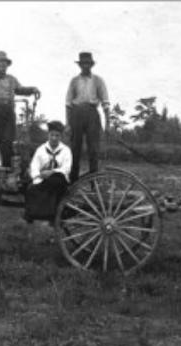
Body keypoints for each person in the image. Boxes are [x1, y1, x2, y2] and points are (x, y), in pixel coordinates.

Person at [65, 51, 110, 183]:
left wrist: (108, 124)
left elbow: (106, 103)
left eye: (87, 63)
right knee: (74, 150)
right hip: (76, 114)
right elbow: (68, 104)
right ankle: (72, 183)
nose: (85, 66)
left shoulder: (98, 80)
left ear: (91, 65)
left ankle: (94, 185)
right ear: (80, 65)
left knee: (93, 150)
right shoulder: (74, 81)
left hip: (92, 114)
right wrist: (67, 124)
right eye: (83, 63)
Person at [24, 121, 72, 222]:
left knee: (56, 181)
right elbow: (34, 165)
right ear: (48, 135)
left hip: (59, 180)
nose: (54, 138)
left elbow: (66, 168)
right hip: (42, 179)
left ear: (61, 137)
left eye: (57, 135)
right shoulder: (41, 150)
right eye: (52, 135)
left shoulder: (66, 150)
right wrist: (38, 177)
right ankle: (34, 214)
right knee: (31, 188)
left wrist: (52, 172)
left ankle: (54, 214)